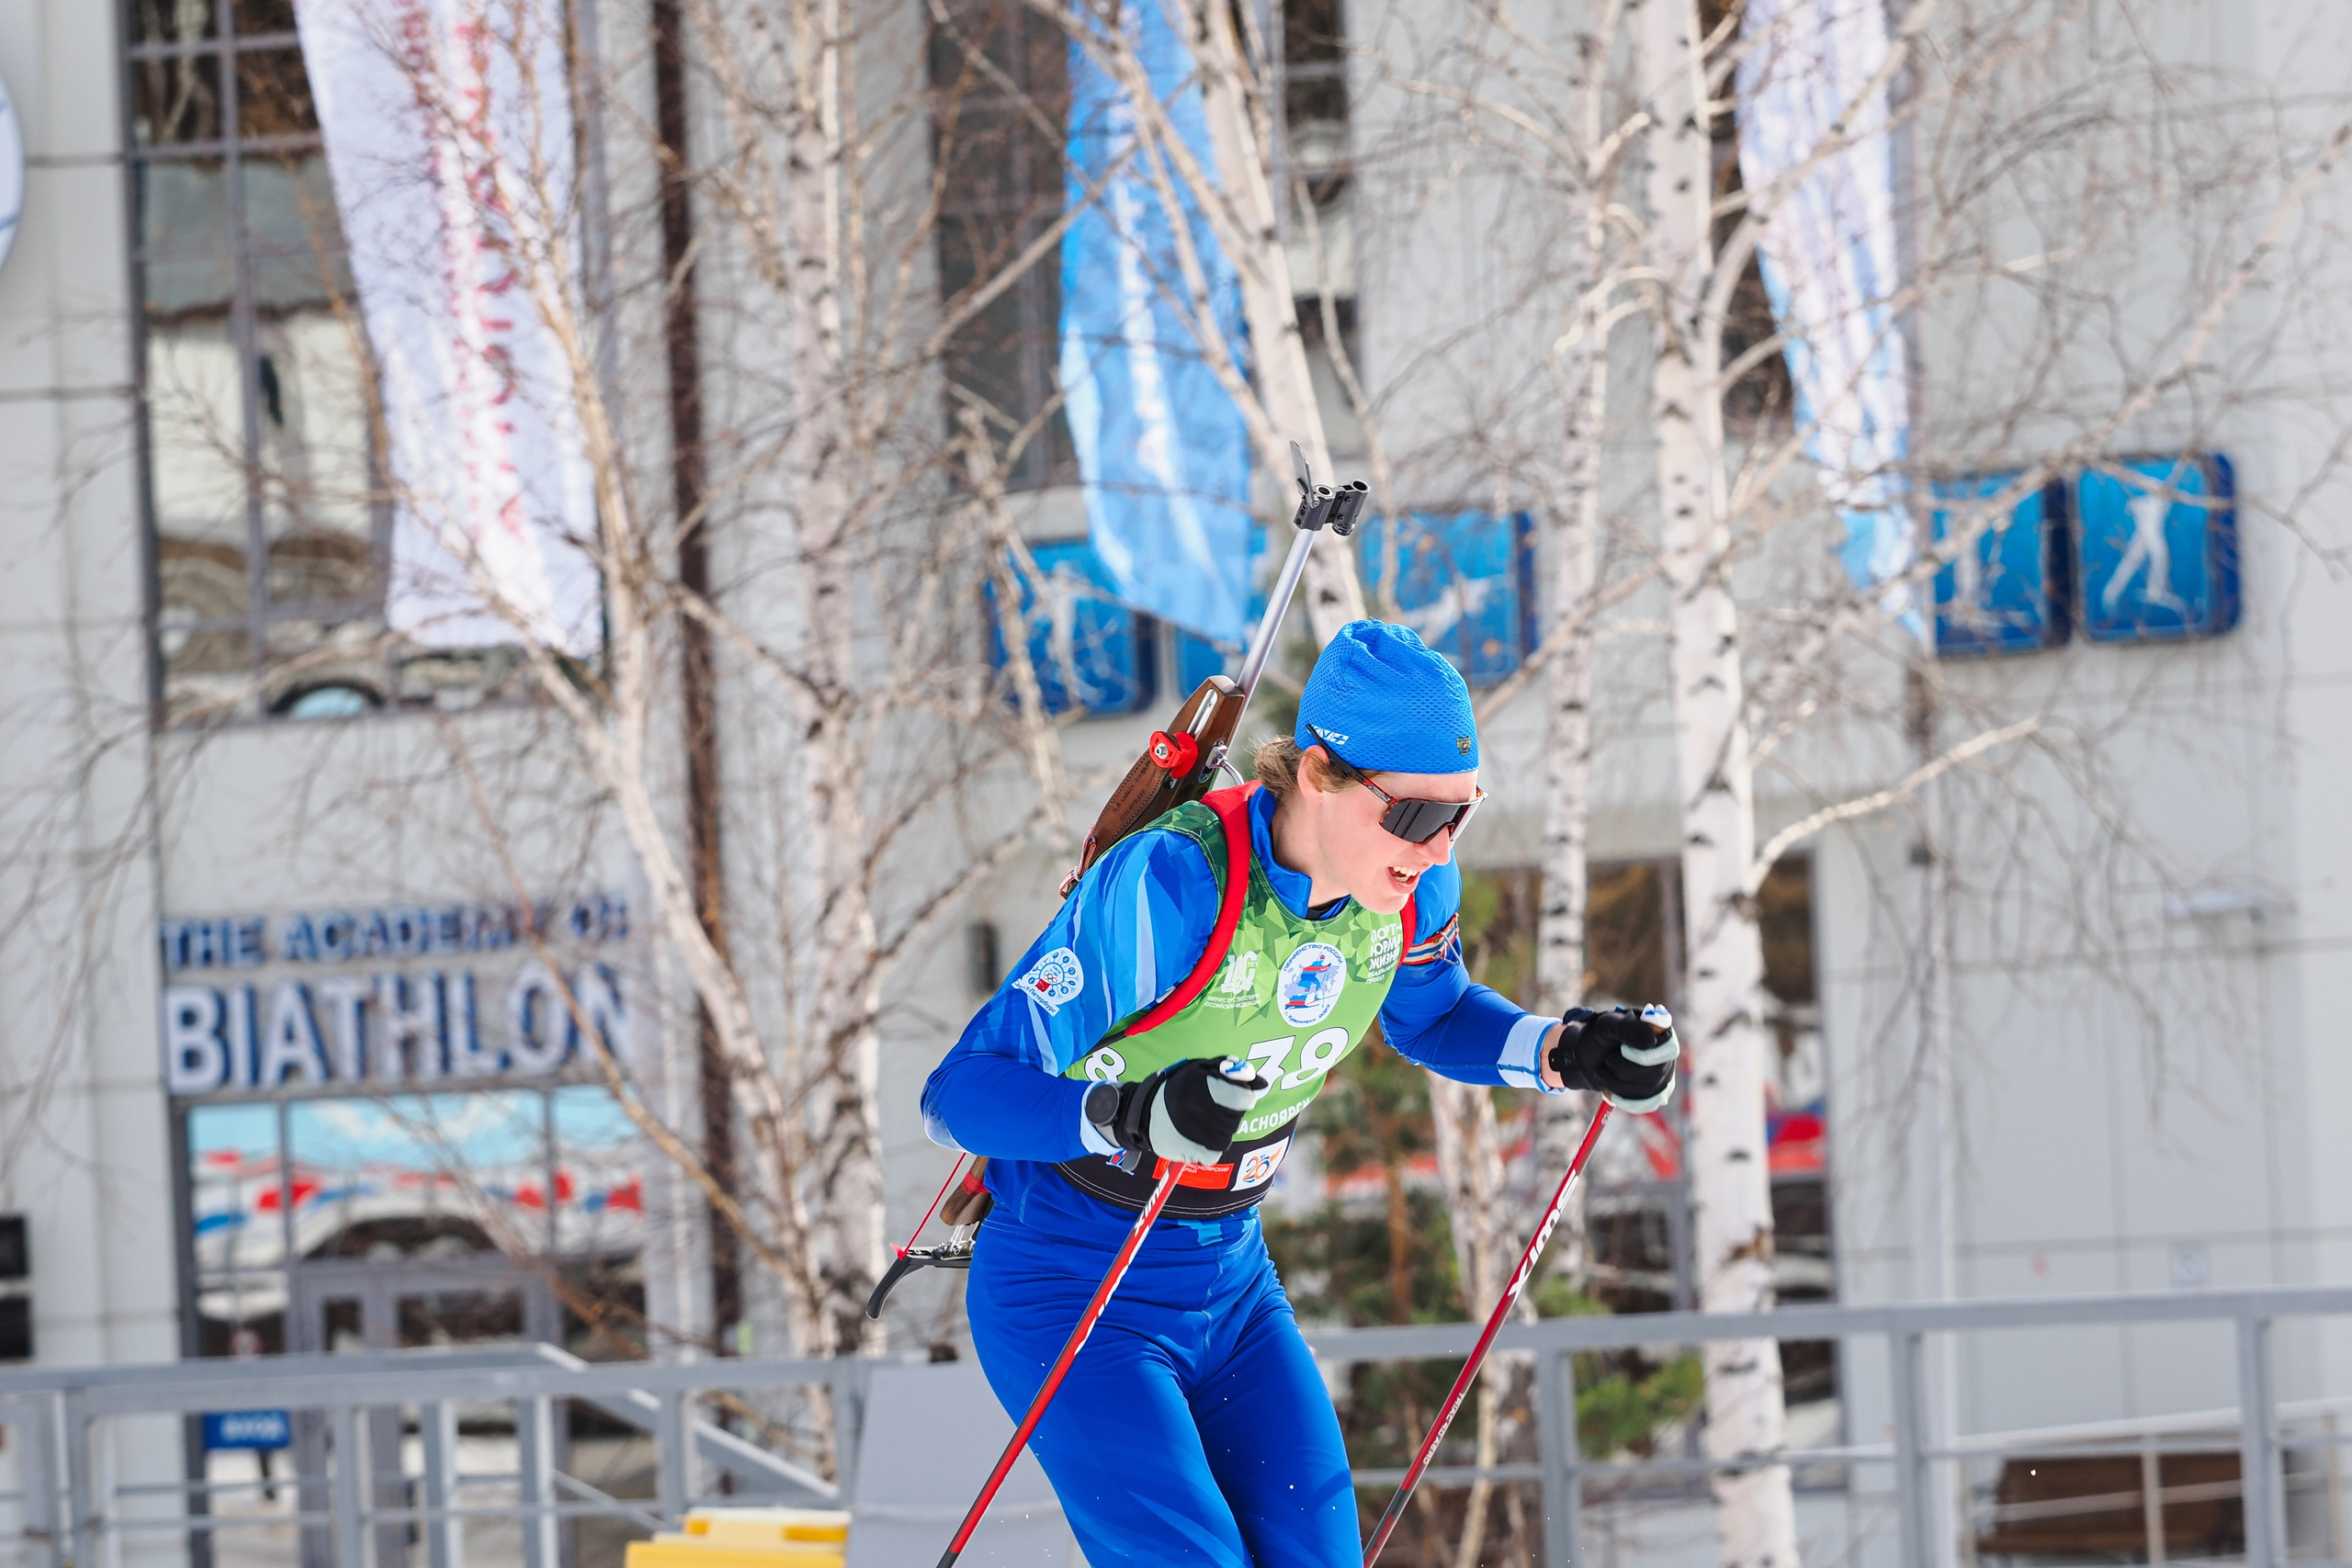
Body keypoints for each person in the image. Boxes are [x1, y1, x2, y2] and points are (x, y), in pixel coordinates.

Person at [920, 620, 1679, 1567]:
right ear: (1317, 773)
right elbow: (957, 1092)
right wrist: (1129, 1113)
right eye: (1411, 816)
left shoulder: (1405, 887)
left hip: (1228, 1281)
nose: (1438, 851)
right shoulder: (1170, 887)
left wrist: (1568, 1053)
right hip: (1069, 1284)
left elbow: (1431, 1016)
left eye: (1461, 814)